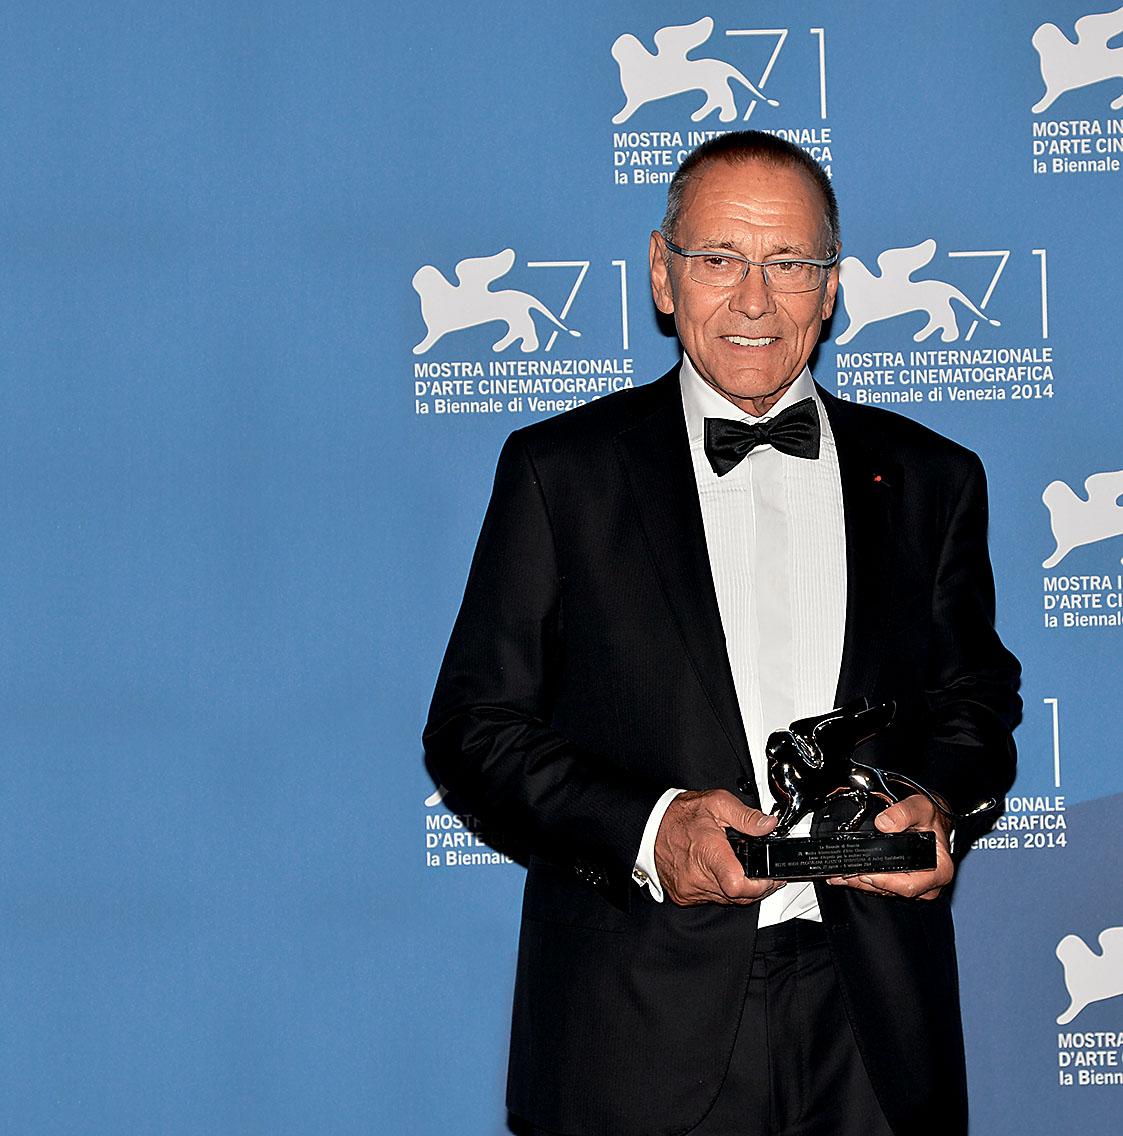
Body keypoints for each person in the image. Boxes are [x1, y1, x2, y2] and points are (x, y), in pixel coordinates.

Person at [424, 131, 1021, 1136]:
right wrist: (653, 829)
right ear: (662, 275)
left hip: (875, 1029)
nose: (754, 300)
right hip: (635, 1023)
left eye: (788, 263)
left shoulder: (932, 477)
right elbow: (474, 728)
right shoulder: (560, 472)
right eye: (718, 259)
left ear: (830, 289)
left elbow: (975, 699)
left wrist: (933, 800)